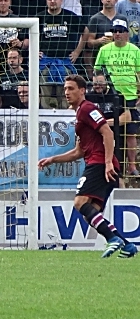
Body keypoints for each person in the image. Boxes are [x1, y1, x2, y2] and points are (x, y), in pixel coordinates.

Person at [38, 75, 137, 258]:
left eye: (71, 89)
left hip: (100, 164)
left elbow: (107, 132)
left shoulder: (87, 108)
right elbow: (78, 152)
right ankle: (127, 245)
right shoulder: (80, 114)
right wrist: (52, 160)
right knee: (90, 214)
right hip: (100, 163)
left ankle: (113, 240)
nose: (67, 92)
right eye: (65, 89)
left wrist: (107, 162)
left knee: (79, 202)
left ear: (82, 91)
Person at [94, 18, 140, 175]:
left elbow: (139, 74)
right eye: (115, 31)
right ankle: (109, 164)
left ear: (127, 33)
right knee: (109, 131)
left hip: (130, 94)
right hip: (111, 95)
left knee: (131, 132)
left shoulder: (135, 50)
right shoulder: (104, 50)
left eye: (120, 31)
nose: (118, 34)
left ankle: (132, 165)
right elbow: (97, 71)